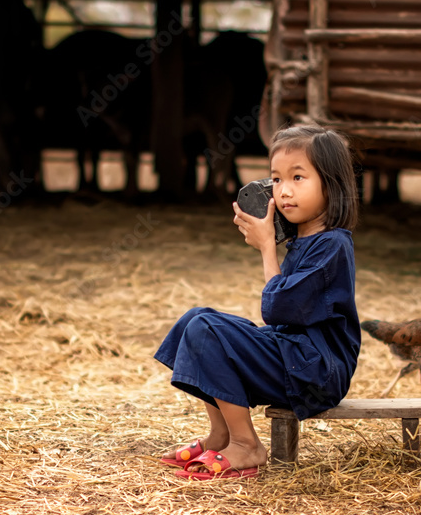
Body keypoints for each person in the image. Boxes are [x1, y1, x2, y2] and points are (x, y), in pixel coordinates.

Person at [154, 125, 362, 480]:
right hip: (295, 356)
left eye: (298, 177)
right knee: (197, 319)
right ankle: (221, 436)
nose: (284, 191)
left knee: (208, 329)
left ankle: (247, 445)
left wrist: (268, 248)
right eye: (277, 180)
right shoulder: (304, 241)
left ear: (331, 184)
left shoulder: (332, 246)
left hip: (316, 370)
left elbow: (279, 308)